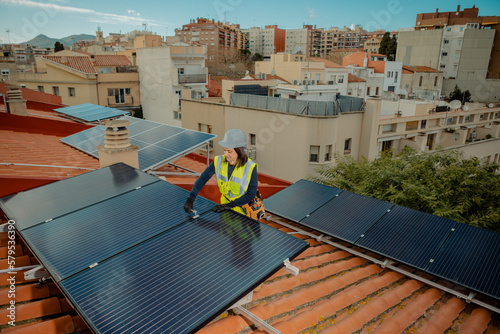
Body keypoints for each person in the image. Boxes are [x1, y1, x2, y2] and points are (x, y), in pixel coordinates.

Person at [184, 129, 258, 215]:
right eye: (224, 150)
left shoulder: (250, 167)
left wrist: (230, 205)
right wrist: (191, 198)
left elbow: (251, 194)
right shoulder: (219, 161)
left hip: (242, 212)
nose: (226, 154)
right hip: (224, 210)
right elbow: (203, 179)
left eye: (229, 151)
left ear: (239, 151)